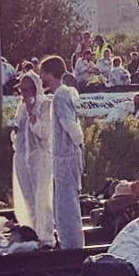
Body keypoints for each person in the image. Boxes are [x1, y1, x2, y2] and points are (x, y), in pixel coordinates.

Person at [40, 55, 85, 250]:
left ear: (50, 74)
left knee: (66, 202)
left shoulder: (60, 96)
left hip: (66, 157)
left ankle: (71, 245)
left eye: (42, 73)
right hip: (65, 155)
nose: (40, 77)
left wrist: (77, 144)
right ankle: (69, 242)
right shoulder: (64, 94)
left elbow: (70, 125)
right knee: (65, 200)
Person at [11, 70, 54, 244]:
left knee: (42, 199)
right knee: (28, 198)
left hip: (40, 157)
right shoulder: (20, 107)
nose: (24, 94)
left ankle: (46, 237)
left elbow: (45, 133)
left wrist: (32, 116)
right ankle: (31, 234)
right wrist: (13, 131)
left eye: (27, 90)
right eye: (22, 90)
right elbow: (18, 135)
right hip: (22, 158)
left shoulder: (45, 106)